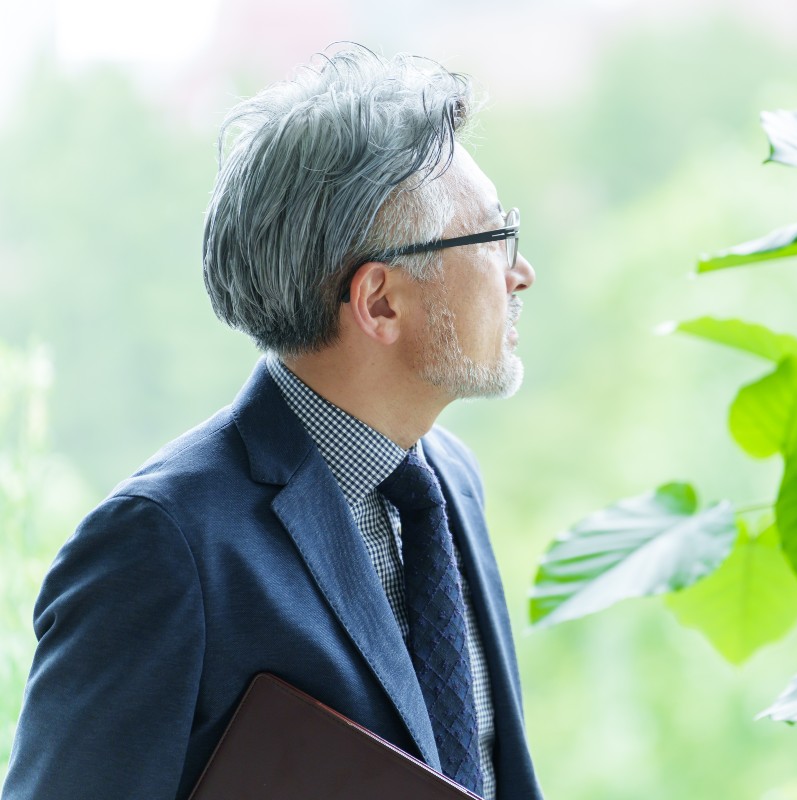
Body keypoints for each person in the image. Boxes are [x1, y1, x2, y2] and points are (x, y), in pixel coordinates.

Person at [2, 46, 540, 800]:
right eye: (492, 238)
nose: (520, 272)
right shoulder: (159, 547)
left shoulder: (450, 482)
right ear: (380, 301)